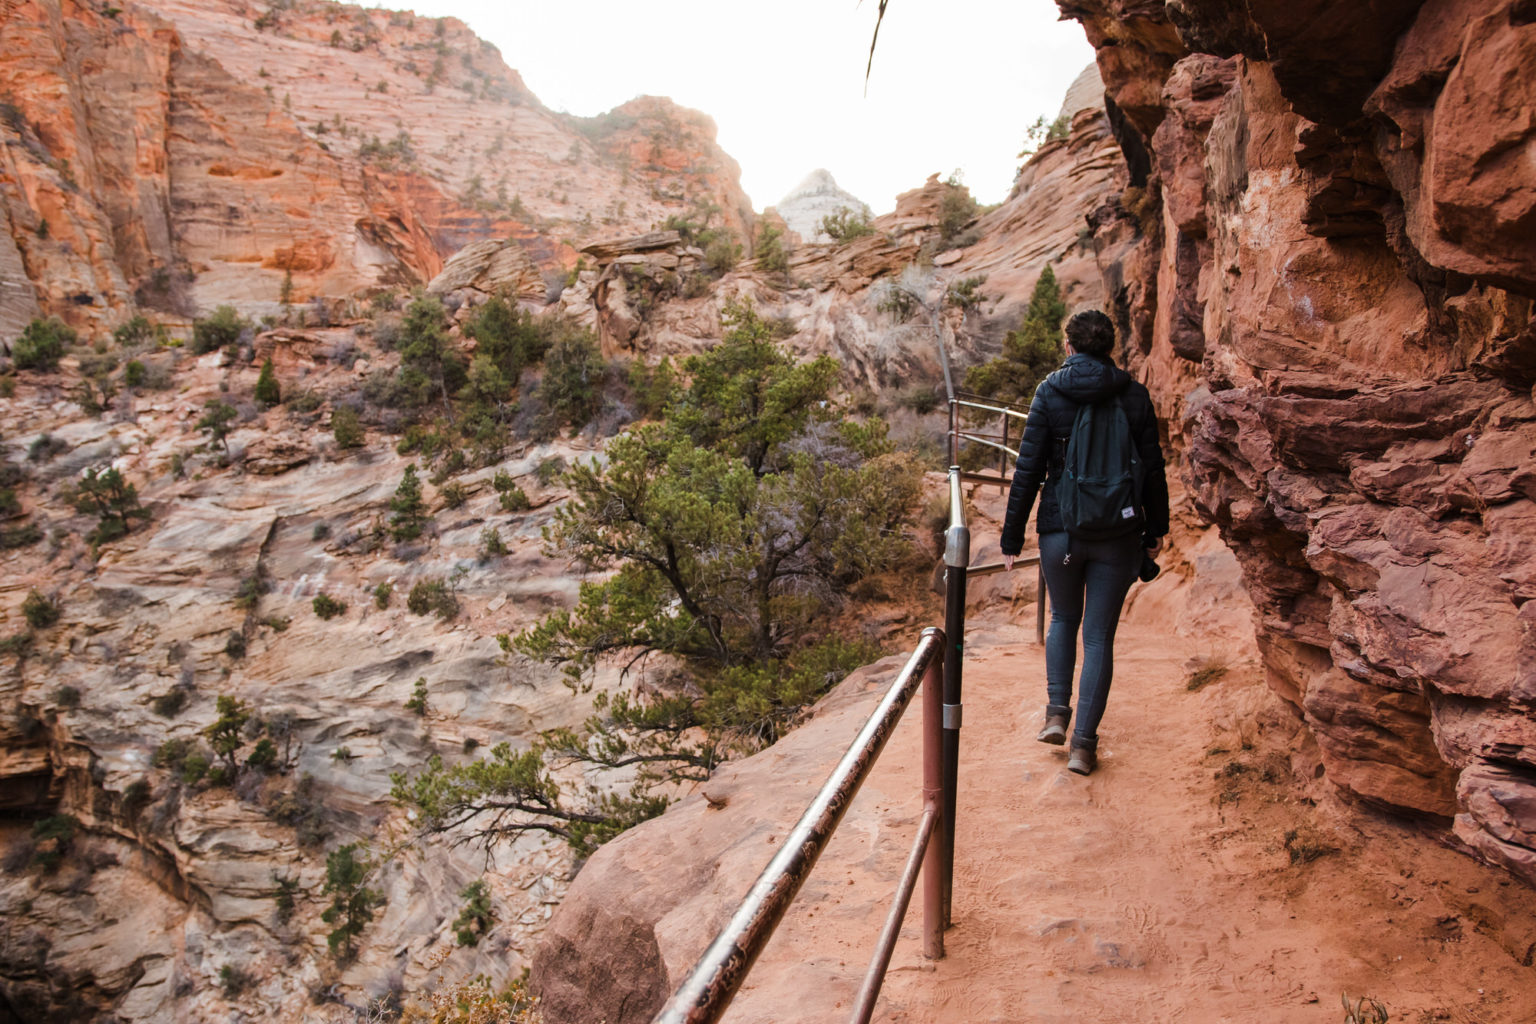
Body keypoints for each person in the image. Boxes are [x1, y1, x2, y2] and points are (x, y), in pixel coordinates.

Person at [999, 309, 1168, 776]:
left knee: (1063, 618)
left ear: (1069, 347)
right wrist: (1156, 531)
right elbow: (1152, 470)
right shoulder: (1134, 395)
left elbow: (1028, 470)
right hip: (1118, 533)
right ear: (1109, 347)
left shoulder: (1050, 391)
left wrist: (1012, 536)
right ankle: (1083, 747)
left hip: (1062, 532)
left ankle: (1056, 713)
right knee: (1098, 638)